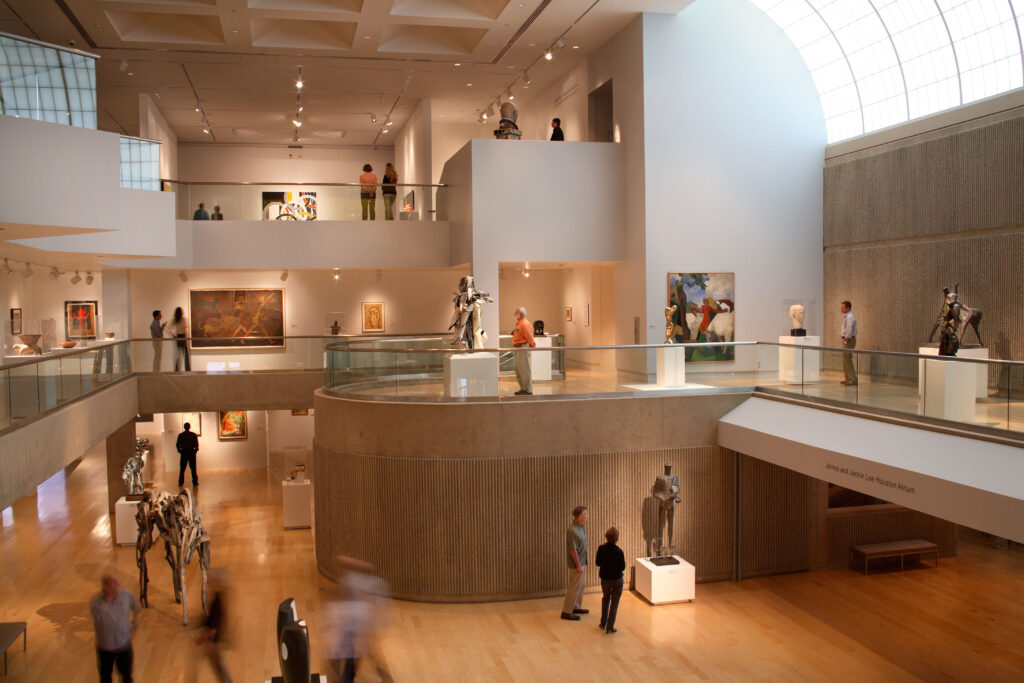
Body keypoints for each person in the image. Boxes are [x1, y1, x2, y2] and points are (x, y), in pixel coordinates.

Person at [90, 573, 140, 683]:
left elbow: (137, 609)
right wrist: (108, 600)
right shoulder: (97, 602)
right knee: (105, 677)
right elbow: (97, 616)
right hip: (105, 648)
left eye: (117, 582)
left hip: (124, 645)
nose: (118, 585)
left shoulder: (126, 596)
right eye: (114, 583)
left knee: (127, 676)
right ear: (106, 586)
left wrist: (134, 629)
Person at [193, 569, 231, 682]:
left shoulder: (217, 601)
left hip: (213, 641)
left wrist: (204, 639)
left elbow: (214, 625)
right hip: (213, 640)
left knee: (218, 666)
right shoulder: (217, 597)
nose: (209, 582)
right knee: (218, 666)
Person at [595, 527, 625, 634]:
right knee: (614, 603)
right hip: (617, 579)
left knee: (605, 599)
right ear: (617, 538)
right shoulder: (619, 552)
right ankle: (610, 626)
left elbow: (598, 563)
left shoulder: (601, 548)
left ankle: (603, 623)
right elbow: (622, 567)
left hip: (605, 579)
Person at [561, 505, 588, 621]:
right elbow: (573, 550)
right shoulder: (572, 530)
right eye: (585, 513)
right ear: (579, 516)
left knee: (581, 586)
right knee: (574, 587)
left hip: (582, 562)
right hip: (577, 564)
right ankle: (567, 611)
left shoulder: (581, 527)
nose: (587, 516)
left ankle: (576, 606)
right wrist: (578, 565)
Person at [512, 306, 536, 396]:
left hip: (522, 348)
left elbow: (529, 336)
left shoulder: (524, 324)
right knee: (519, 370)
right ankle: (523, 388)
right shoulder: (519, 323)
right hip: (518, 349)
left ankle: (528, 390)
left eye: (516, 312)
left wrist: (532, 344)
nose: (514, 314)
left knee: (525, 369)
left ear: (521, 314)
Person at [176, 421, 199, 487]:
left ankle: (181, 482)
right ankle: (195, 482)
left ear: (184, 427)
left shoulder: (181, 435)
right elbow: (196, 445)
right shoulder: (193, 435)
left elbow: (177, 444)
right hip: (191, 452)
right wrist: (195, 451)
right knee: (193, 468)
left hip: (184, 452)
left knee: (182, 469)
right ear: (189, 427)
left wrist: (180, 451)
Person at [840, 300, 858, 385]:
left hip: (849, 340)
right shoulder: (846, 316)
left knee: (848, 360)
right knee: (845, 360)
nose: (841, 309)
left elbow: (849, 329)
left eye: (843, 307)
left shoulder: (850, 317)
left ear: (848, 308)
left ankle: (852, 379)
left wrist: (847, 340)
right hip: (847, 339)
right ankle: (847, 377)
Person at [170, 306, 190, 371]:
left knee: (179, 354)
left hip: (178, 337)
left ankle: (177, 369)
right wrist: (186, 337)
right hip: (182, 337)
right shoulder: (183, 319)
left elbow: (169, 329)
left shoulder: (175, 320)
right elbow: (185, 329)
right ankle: (187, 369)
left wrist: (173, 336)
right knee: (185, 354)